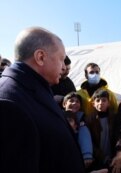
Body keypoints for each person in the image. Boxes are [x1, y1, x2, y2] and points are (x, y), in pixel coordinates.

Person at [0, 27, 85, 172]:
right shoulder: (8, 102)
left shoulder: (34, 86)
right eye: (61, 59)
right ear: (40, 57)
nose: (64, 67)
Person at [85, 89, 116, 171]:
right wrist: (102, 157)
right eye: (97, 100)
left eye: (104, 100)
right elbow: (90, 142)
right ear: (93, 104)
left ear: (108, 103)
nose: (100, 103)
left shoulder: (114, 118)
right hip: (97, 159)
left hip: (114, 157)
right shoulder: (89, 120)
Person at [62, 92, 93, 170]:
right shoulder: (58, 116)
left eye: (77, 101)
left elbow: (85, 136)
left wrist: (87, 155)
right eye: (71, 101)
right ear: (64, 104)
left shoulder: (81, 119)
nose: (74, 103)